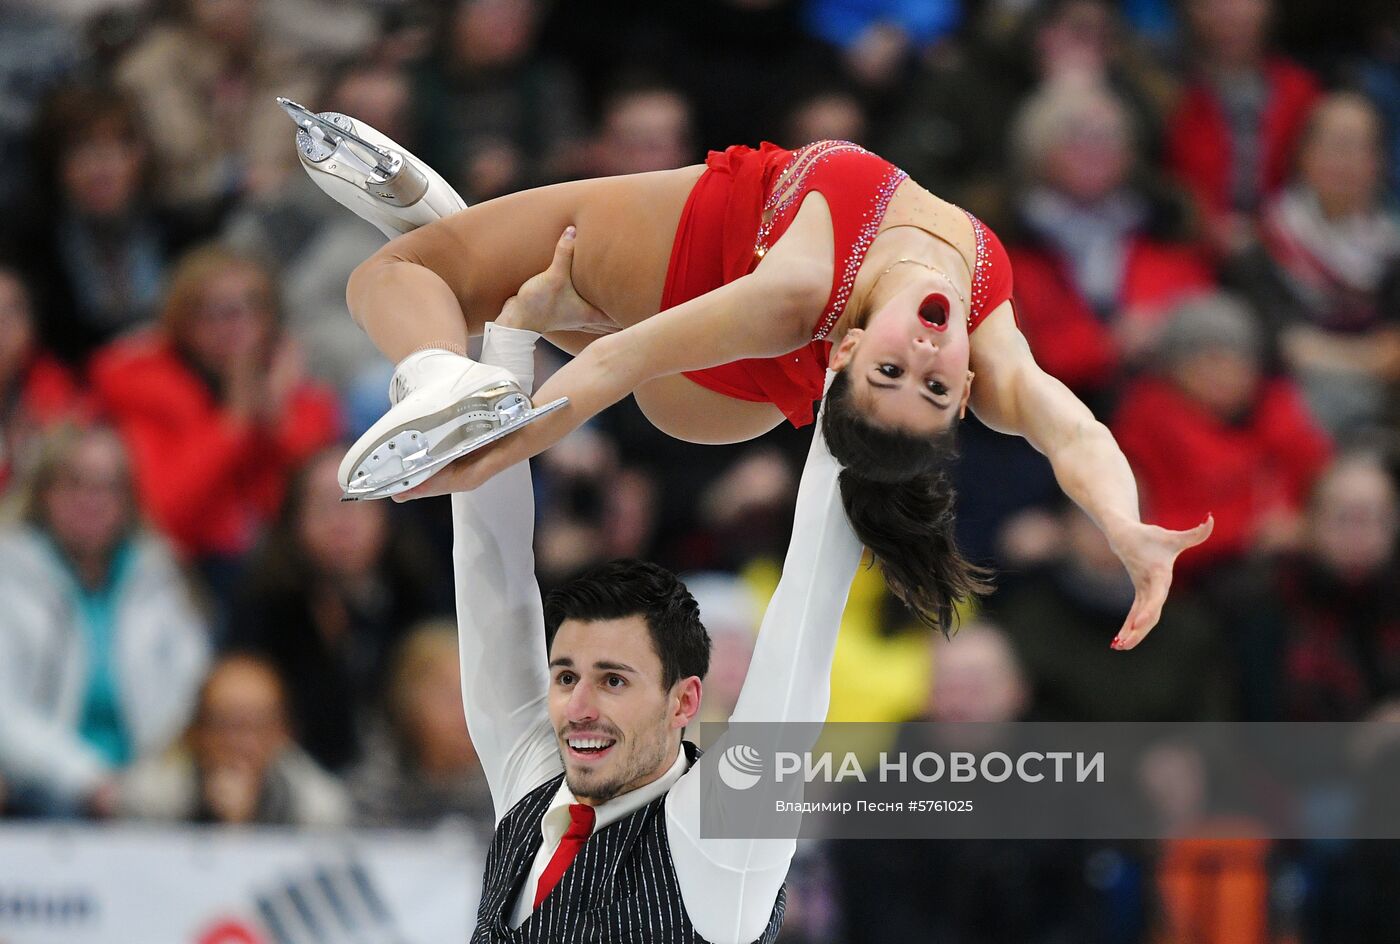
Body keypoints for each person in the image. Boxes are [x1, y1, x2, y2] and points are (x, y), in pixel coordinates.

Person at [314, 119, 1209, 648]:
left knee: (390, 277)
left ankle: (439, 354)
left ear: (846, 353)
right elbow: (1078, 434)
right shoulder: (990, 332)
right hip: (711, 393)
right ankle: (470, 245)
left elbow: (618, 369)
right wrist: (1125, 523)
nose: (926, 355)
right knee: (518, 288)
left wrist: (482, 451)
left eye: (891, 372)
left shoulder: (797, 293)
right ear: (967, 389)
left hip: (693, 280)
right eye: (934, 387)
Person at [450, 321, 864, 942]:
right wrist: (507, 335)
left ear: (683, 701)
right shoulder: (533, 790)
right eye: (566, 677)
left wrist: (853, 384)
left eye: (614, 681)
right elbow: (493, 584)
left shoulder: (719, 837)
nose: (579, 707)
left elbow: (808, 611)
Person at [0, 425, 209, 817]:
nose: (91, 500)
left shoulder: (161, 577)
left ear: (129, 499)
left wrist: (150, 781)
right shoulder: (8, 574)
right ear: (43, 493)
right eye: (75, 483)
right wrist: (88, 780)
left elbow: (193, 691)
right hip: (40, 785)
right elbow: (4, 714)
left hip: (147, 784)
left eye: (108, 486)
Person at [119, 653, 349, 827]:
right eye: (226, 725)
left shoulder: (317, 808)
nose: (240, 743)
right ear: (195, 732)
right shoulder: (149, 799)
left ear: (283, 733)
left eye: (257, 726)